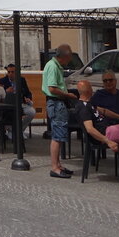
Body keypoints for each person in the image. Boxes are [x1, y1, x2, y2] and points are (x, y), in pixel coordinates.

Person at [42, 44, 77, 178]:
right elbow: (52, 88)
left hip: (57, 102)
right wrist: (68, 95)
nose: (69, 60)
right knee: (57, 135)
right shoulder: (52, 66)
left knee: (60, 134)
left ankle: (58, 164)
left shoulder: (55, 65)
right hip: (55, 102)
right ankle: (55, 167)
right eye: (69, 57)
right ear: (65, 56)